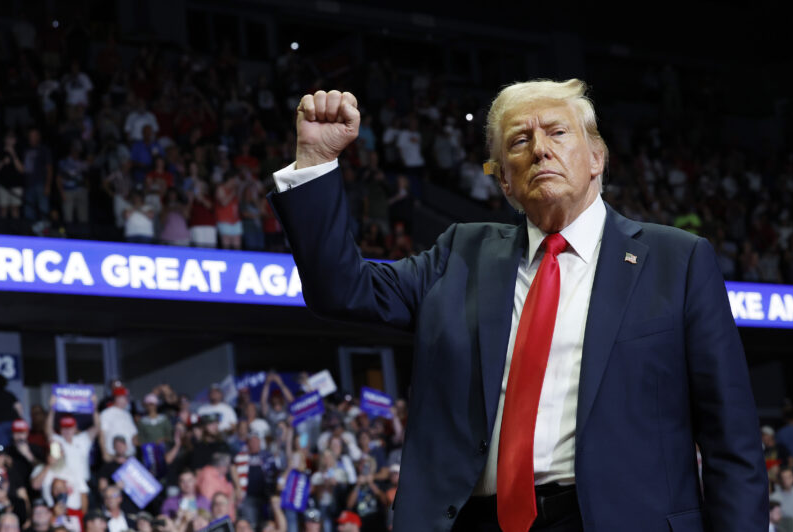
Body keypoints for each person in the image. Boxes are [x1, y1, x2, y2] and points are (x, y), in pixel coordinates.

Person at [267, 81, 767, 531]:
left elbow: (731, 443)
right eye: (519, 141)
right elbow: (342, 290)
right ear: (504, 180)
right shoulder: (459, 254)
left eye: (556, 132)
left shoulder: (676, 262)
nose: (540, 150)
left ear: (597, 157)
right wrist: (315, 162)